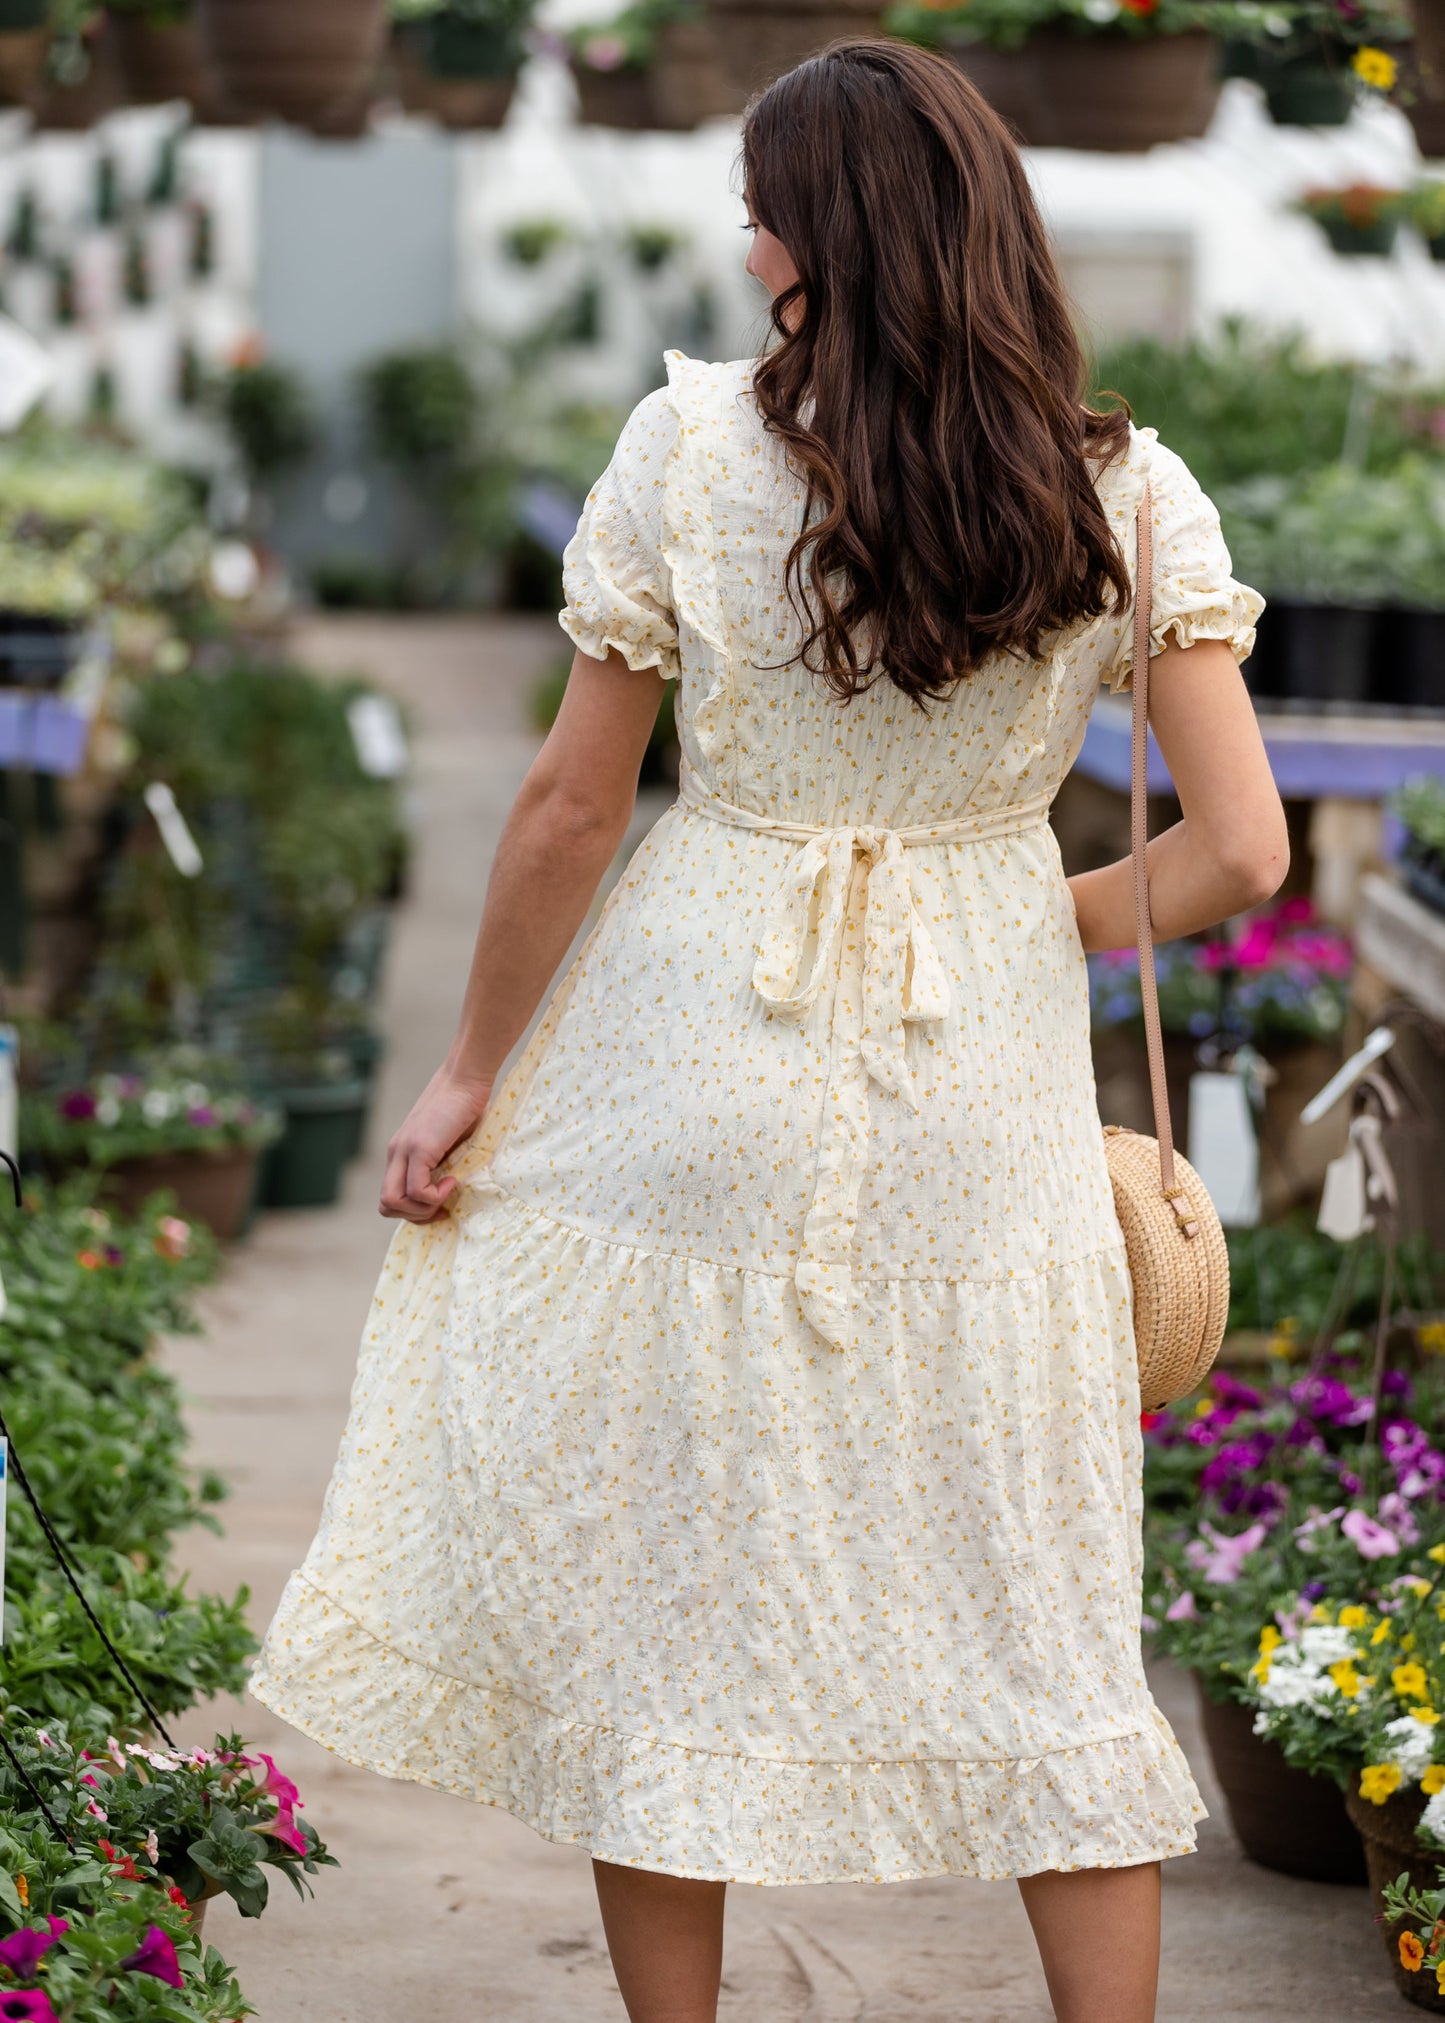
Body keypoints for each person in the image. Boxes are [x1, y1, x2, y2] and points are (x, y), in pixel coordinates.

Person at [250, 38, 1287, 2023]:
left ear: (816, 235)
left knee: (676, 1594)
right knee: (1039, 1595)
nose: (744, 239)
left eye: (762, 201)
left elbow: (569, 808)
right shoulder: (1129, 489)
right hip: (974, 1092)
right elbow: (1239, 851)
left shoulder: (696, 451)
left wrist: (468, 1070)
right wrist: (1019, 916)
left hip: (693, 1048)